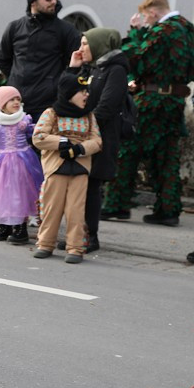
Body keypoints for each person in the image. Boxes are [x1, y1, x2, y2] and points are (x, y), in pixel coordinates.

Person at [102, 0, 194, 228]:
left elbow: (136, 57)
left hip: (153, 100)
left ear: (152, 11)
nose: (145, 19)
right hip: (174, 100)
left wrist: (134, 32)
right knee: (166, 156)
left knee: (128, 149)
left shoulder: (162, 31)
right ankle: (168, 210)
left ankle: (117, 204)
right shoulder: (187, 28)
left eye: (145, 15)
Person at [31, 72, 102, 263]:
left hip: (79, 169)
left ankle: (75, 247)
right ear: (69, 93)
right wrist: (61, 142)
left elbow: (97, 141)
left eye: (86, 91)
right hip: (57, 168)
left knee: (76, 210)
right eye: (81, 91)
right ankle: (45, 243)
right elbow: (38, 137)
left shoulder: (88, 116)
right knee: (51, 207)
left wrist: (80, 148)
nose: (86, 95)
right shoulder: (51, 113)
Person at [67, 28, 127, 253]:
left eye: (85, 44)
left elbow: (107, 107)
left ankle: (90, 236)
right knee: (79, 185)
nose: (81, 49)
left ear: (99, 45)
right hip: (84, 134)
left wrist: (83, 126)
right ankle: (77, 234)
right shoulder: (93, 68)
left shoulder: (116, 70)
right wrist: (73, 68)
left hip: (101, 138)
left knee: (91, 186)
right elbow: (68, 94)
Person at [0, 0, 82, 123]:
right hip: (17, 106)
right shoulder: (15, 27)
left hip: (47, 107)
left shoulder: (66, 30)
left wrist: (55, 85)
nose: (54, 1)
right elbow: (3, 60)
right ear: (33, 0)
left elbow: (77, 64)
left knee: (43, 146)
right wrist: (18, 78)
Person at [0, 86, 43, 244]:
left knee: (20, 194)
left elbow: (33, 139)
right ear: (2, 104)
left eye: (18, 99)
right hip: (1, 164)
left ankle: (21, 228)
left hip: (22, 162)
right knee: (2, 195)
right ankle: (5, 226)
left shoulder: (24, 120)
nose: (16, 102)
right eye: (11, 99)